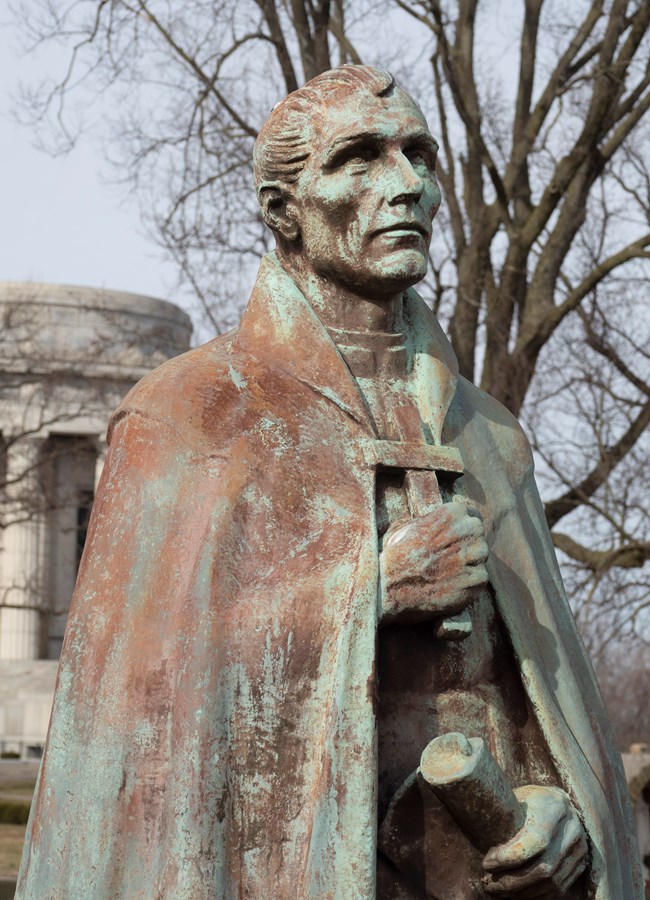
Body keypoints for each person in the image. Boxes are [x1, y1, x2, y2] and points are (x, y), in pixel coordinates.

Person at [17, 65, 641, 899]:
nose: (408, 183)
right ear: (285, 212)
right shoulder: (187, 416)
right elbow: (131, 714)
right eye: (361, 157)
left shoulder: (492, 438)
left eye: (419, 153)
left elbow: (552, 713)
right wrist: (371, 589)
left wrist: (562, 815)